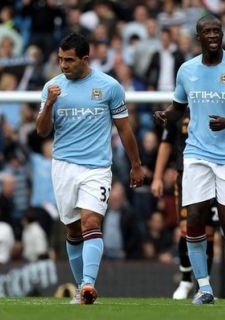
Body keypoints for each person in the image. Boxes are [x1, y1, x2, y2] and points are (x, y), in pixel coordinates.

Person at [154, 15, 225, 305]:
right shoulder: (187, 70)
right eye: (207, 31)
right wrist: (166, 115)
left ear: (222, 34)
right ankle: (204, 288)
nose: (213, 35)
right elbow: (178, 108)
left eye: (217, 30)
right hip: (197, 154)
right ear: (198, 36)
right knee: (195, 218)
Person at [36, 32, 145, 305]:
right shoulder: (52, 87)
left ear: (85, 59)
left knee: (91, 222)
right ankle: (79, 288)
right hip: (63, 166)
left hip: (96, 167)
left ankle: (87, 286)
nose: (63, 65)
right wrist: (49, 103)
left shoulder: (109, 87)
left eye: (69, 60)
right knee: (72, 231)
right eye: (60, 59)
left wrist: (136, 165)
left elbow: (124, 129)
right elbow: (41, 131)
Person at [151, 112, 217, 300]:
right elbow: (166, 143)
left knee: (209, 232)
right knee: (186, 228)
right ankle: (186, 279)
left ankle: (203, 285)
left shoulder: (214, 106)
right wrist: (157, 177)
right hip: (186, 174)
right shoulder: (178, 110)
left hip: (214, 173)